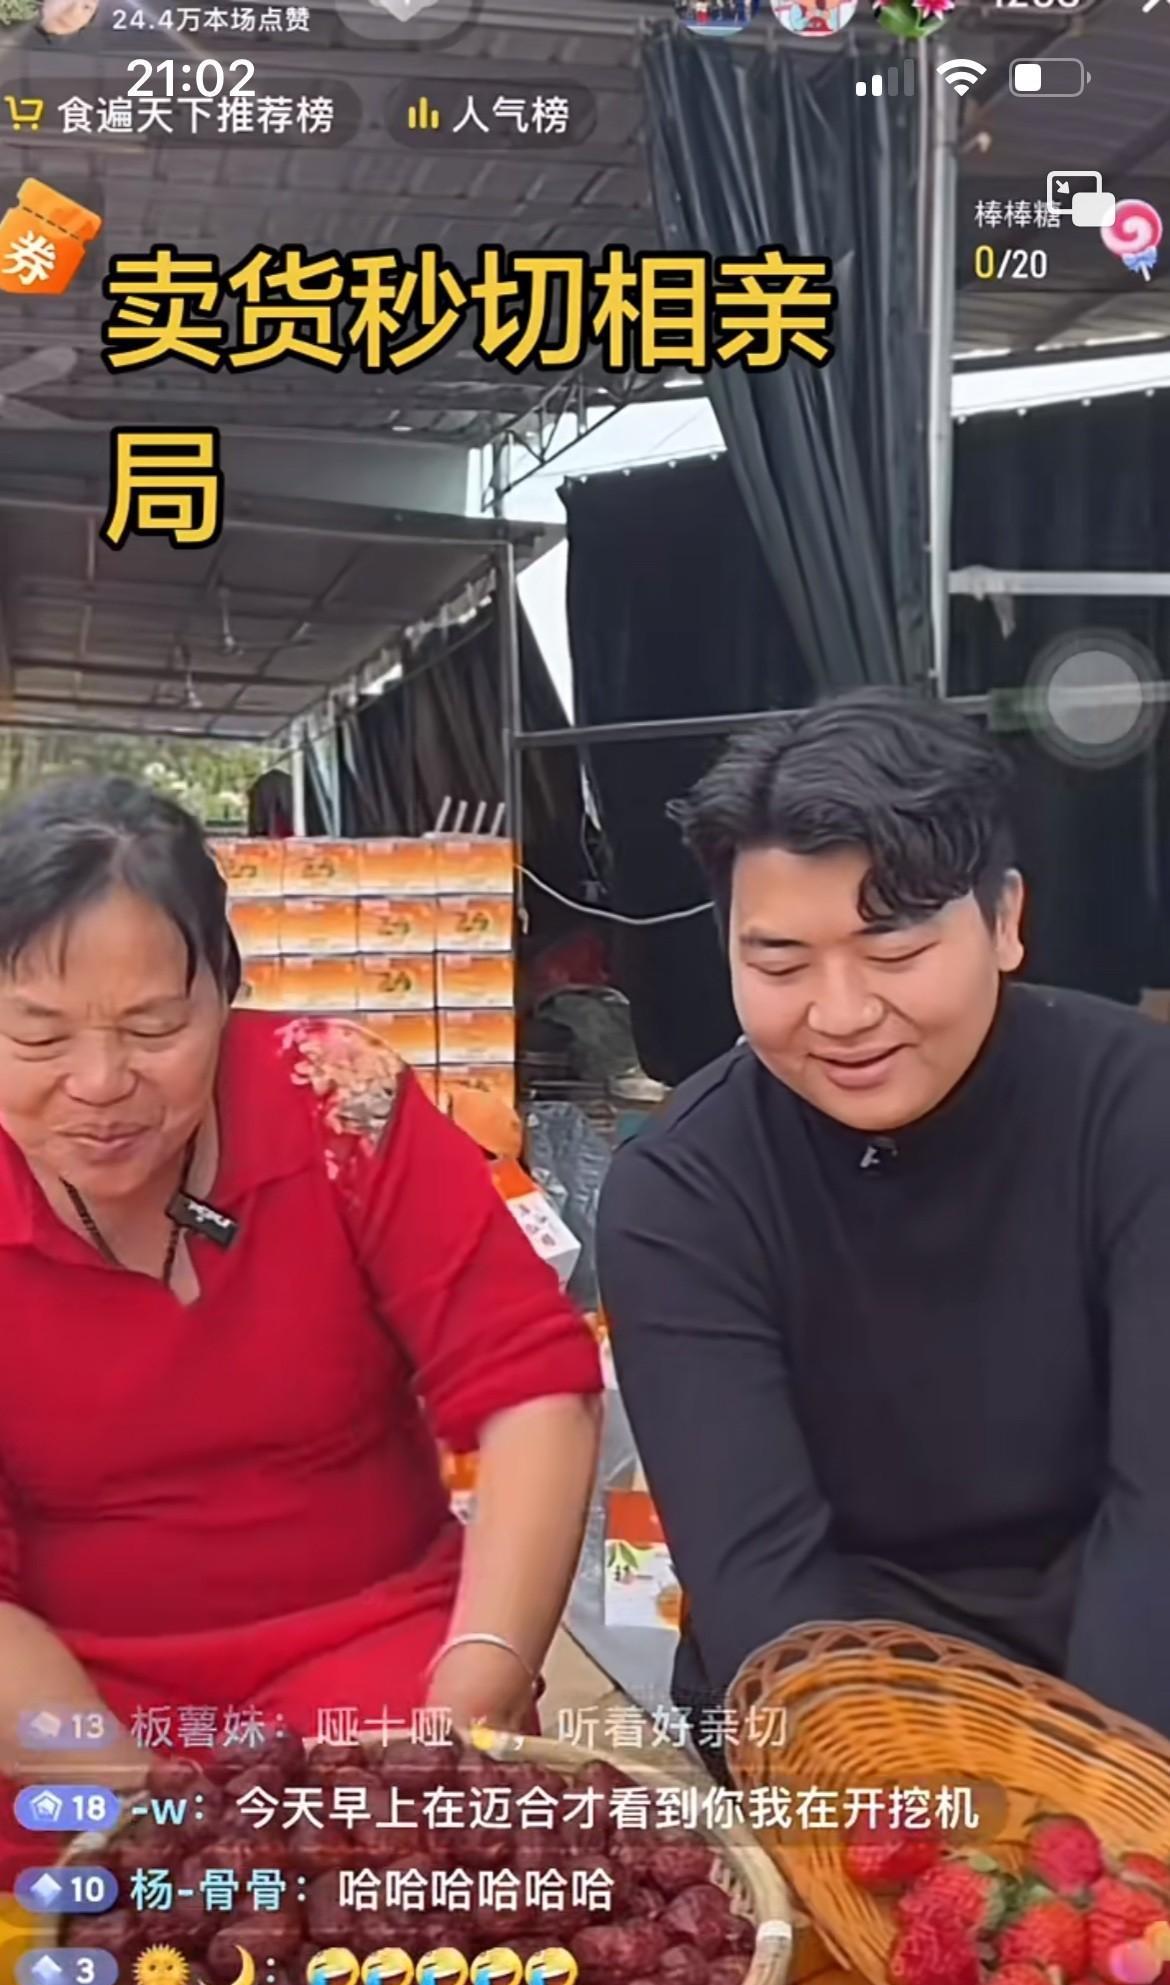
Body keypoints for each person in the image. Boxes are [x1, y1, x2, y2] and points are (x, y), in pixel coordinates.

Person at [0, 777, 600, 1868]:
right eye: (36, 1039)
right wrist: (138, 1814)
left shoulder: (339, 1100)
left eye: (153, 1027)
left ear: (227, 990)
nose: (99, 1083)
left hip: (373, 1643)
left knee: (423, 1868)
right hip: (66, 1695)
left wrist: (482, 1673)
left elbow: (529, 1385)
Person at [598, 688, 1170, 1748]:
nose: (844, 1014)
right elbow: (758, 1576)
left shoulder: (1140, 1112)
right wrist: (895, 1802)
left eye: (895, 953)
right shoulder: (681, 1192)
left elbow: (1159, 1524)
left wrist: (1102, 1804)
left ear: (1005, 921)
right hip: (838, 1705)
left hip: (1125, 1673)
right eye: (779, 963)